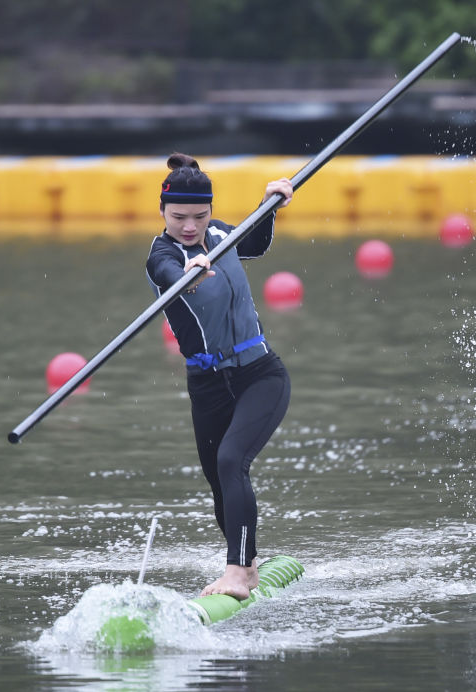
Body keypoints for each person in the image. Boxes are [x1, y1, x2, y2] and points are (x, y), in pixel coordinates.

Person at [145, 152, 294, 600]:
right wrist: (189, 271)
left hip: (259, 374)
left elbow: (257, 245)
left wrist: (270, 204)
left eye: (199, 216)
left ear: (210, 211)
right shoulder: (161, 255)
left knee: (232, 462)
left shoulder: (222, 235)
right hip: (207, 386)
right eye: (179, 217)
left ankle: (235, 574)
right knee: (219, 480)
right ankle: (246, 568)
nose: (190, 227)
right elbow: (175, 275)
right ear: (163, 213)